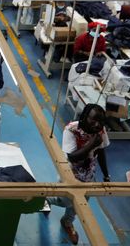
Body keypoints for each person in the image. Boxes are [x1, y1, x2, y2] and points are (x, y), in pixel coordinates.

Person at [48, 104, 110, 244]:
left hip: (89, 176)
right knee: (63, 200)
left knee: (80, 203)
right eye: (93, 120)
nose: (97, 125)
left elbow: (101, 151)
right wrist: (92, 144)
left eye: (100, 122)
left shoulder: (100, 130)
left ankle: (67, 222)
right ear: (84, 117)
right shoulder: (71, 129)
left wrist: (106, 174)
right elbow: (72, 157)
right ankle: (45, 200)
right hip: (70, 174)